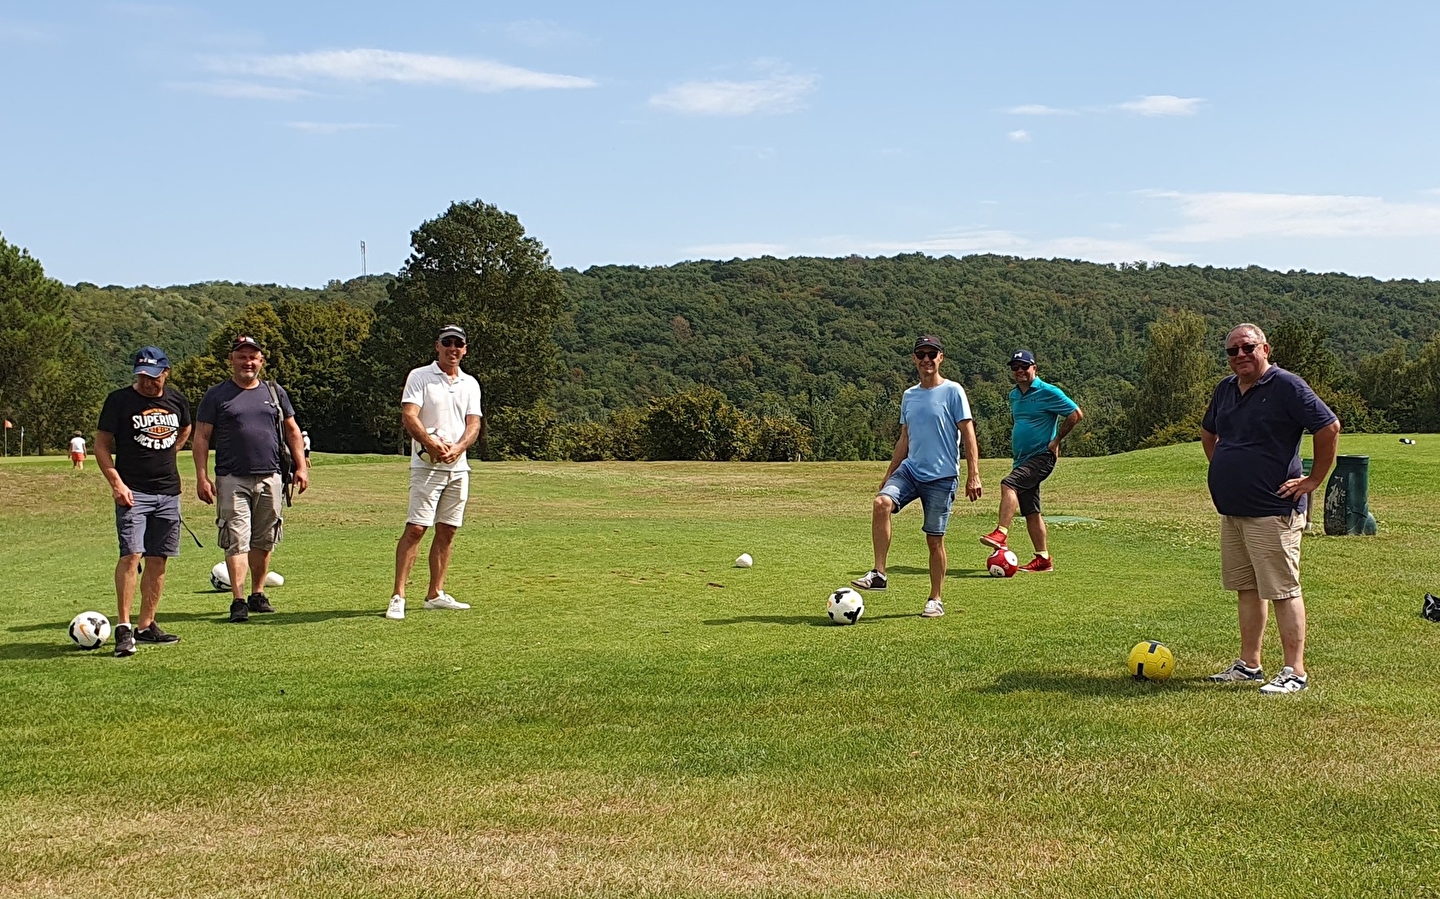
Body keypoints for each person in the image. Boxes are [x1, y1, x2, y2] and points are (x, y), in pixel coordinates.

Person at [1202, 323, 1339, 695]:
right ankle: (1249, 665)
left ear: (1264, 348)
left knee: (1282, 589)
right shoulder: (1226, 389)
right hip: (1234, 511)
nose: (1240, 355)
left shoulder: (1287, 386)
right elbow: (1209, 432)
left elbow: (1328, 427)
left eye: (1247, 348)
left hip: (1273, 510)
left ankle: (1295, 671)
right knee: (1247, 589)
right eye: (1232, 351)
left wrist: (1313, 481)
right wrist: (1225, 467)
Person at [851, 335, 983, 618]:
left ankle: (935, 598)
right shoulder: (909, 395)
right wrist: (889, 473)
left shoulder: (953, 391)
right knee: (881, 504)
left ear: (940, 357)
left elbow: (969, 433)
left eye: (931, 354)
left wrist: (974, 474)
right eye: (921, 354)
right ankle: (879, 573)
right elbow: (905, 438)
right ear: (914, 359)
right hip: (910, 470)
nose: (926, 359)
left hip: (942, 477)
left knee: (934, 541)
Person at [193, 336, 310, 623]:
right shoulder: (216, 395)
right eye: (242, 356)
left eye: (253, 357)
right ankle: (238, 600)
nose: (248, 362)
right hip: (232, 477)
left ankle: (257, 593)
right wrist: (201, 476)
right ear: (231, 360)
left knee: (265, 539)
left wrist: (301, 466)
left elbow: (292, 430)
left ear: (261, 361)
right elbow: (201, 436)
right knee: (236, 539)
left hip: (271, 475)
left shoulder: (274, 391)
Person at [94, 346, 192, 657]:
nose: (147, 382)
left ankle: (146, 624)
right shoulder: (119, 400)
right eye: (141, 376)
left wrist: (169, 452)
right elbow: (101, 445)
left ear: (166, 372)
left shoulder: (177, 400)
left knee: (158, 558)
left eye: (153, 376)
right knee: (131, 555)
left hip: (168, 492)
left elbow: (186, 427)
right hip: (133, 493)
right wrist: (116, 482)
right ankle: (124, 628)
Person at [387, 325, 484, 620]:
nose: (453, 348)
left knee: (448, 529)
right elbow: (409, 415)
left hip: (458, 466)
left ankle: (435, 594)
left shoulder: (470, 383)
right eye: (447, 343)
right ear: (437, 346)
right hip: (426, 466)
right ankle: (398, 596)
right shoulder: (420, 376)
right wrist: (430, 443)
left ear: (465, 348)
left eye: (458, 343)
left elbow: (473, 424)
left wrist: (458, 448)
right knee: (417, 528)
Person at [980, 350, 1084, 572]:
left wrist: (1056, 441)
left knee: (1009, 484)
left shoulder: (1048, 392)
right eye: (1015, 367)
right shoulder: (1014, 396)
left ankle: (1001, 533)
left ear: (1034, 368)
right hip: (1022, 460)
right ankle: (1043, 559)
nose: (1019, 371)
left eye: (1024, 366)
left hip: (1042, 457)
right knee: (1031, 511)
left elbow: (1076, 414)